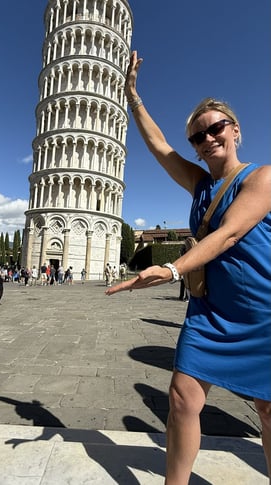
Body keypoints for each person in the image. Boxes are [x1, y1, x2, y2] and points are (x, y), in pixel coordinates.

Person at [106, 51, 271, 484]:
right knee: (181, 398)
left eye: (216, 128)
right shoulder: (200, 184)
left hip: (261, 313)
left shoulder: (262, 178)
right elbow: (160, 147)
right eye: (199, 137)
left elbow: (229, 234)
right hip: (209, 311)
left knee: (268, 412)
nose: (208, 139)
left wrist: (173, 269)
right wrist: (133, 98)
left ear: (235, 131)